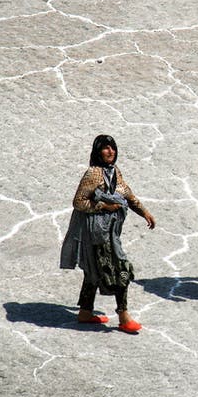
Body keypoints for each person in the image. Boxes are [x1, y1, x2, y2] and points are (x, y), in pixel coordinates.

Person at [59, 134, 155, 333]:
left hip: (109, 231)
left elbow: (127, 195)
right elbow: (78, 202)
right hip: (97, 234)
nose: (110, 151)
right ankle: (123, 316)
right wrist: (104, 206)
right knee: (120, 269)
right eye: (105, 148)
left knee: (93, 273)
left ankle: (85, 312)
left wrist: (144, 212)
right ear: (97, 151)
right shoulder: (93, 174)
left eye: (113, 147)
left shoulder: (114, 172)